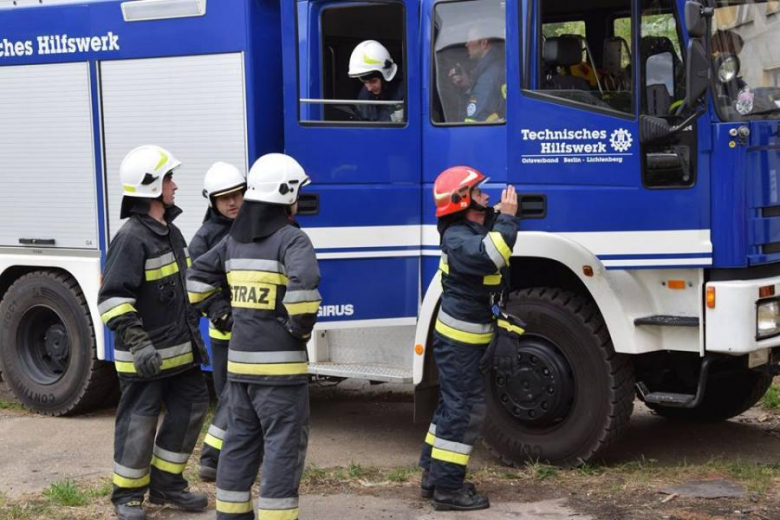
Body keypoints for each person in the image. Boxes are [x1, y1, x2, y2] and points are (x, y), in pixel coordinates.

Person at [187, 153, 321, 520]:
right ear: (286, 194)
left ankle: (231, 515)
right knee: (282, 448)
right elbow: (304, 293)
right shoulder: (292, 241)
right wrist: (298, 329)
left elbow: (196, 279)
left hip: (240, 367)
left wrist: (220, 313)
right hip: (281, 373)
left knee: (240, 444)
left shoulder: (234, 242)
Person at [98, 145, 210, 520]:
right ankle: (127, 495)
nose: (175, 185)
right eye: (168, 179)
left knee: (192, 408)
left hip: (182, 354)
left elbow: (186, 287)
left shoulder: (171, 232)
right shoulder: (131, 238)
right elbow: (113, 298)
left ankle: (166, 484)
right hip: (145, 359)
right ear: (151, 187)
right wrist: (140, 344)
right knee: (139, 424)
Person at [419, 166, 519, 511]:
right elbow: (492, 255)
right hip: (459, 342)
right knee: (464, 410)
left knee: (452, 405)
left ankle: (434, 475)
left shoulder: (470, 228)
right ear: (462, 201)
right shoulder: (458, 238)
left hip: (465, 340)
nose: (487, 197)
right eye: (479, 193)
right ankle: (448, 489)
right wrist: (507, 218)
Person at [190, 162, 247, 482]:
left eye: (237, 194)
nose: (232, 202)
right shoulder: (204, 238)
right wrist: (221, 313)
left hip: (254, 327)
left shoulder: (255, 227)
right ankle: (213, 457)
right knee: (229, 395)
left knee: (244, 395)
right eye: (224, 198)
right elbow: (197, 284)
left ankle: (225, 456)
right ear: (211, 201)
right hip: (224, 331)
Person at [448, 25, 506, 122]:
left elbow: (474, 122)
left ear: (483, 43)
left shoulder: (488, 78)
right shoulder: (495, 69)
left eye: (470, 39)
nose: (466, 44)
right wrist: (468, 85)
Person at [348, 40, 404, 122]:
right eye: (364, 82)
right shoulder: (365, 94)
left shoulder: (403, 93)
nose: (369, 88)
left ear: (385, 77)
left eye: (373, 81)